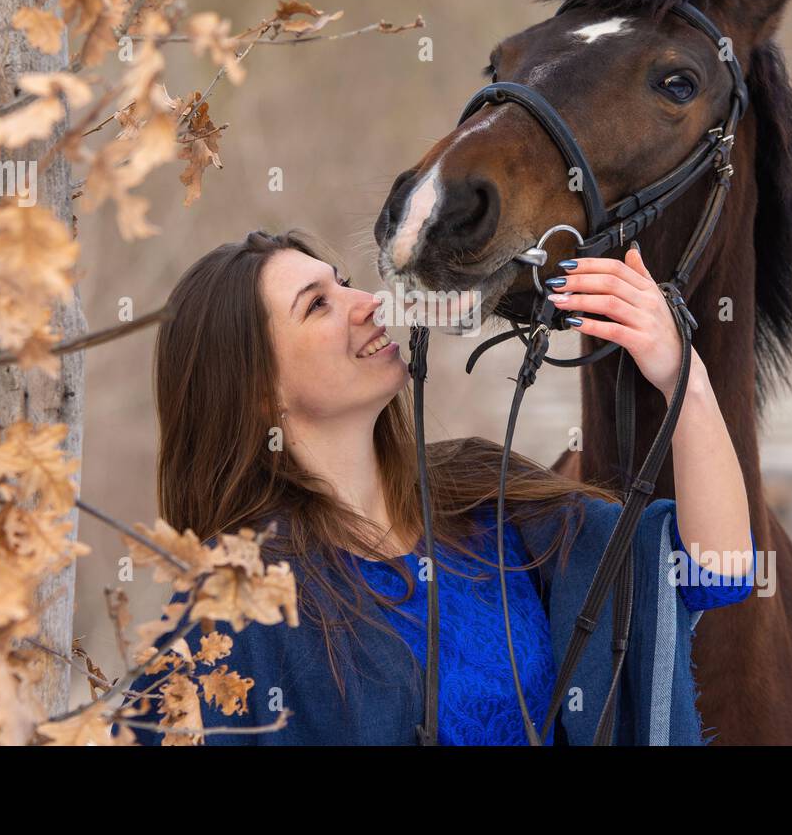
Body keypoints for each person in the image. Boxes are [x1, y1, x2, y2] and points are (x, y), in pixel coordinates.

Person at [113, 229, 756, 746]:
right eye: (317, 305)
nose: (365, 301)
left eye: (341, 283)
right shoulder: (241, 597)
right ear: (258, 392)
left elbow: (715, 571)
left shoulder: (487, 502)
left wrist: (683, 378)